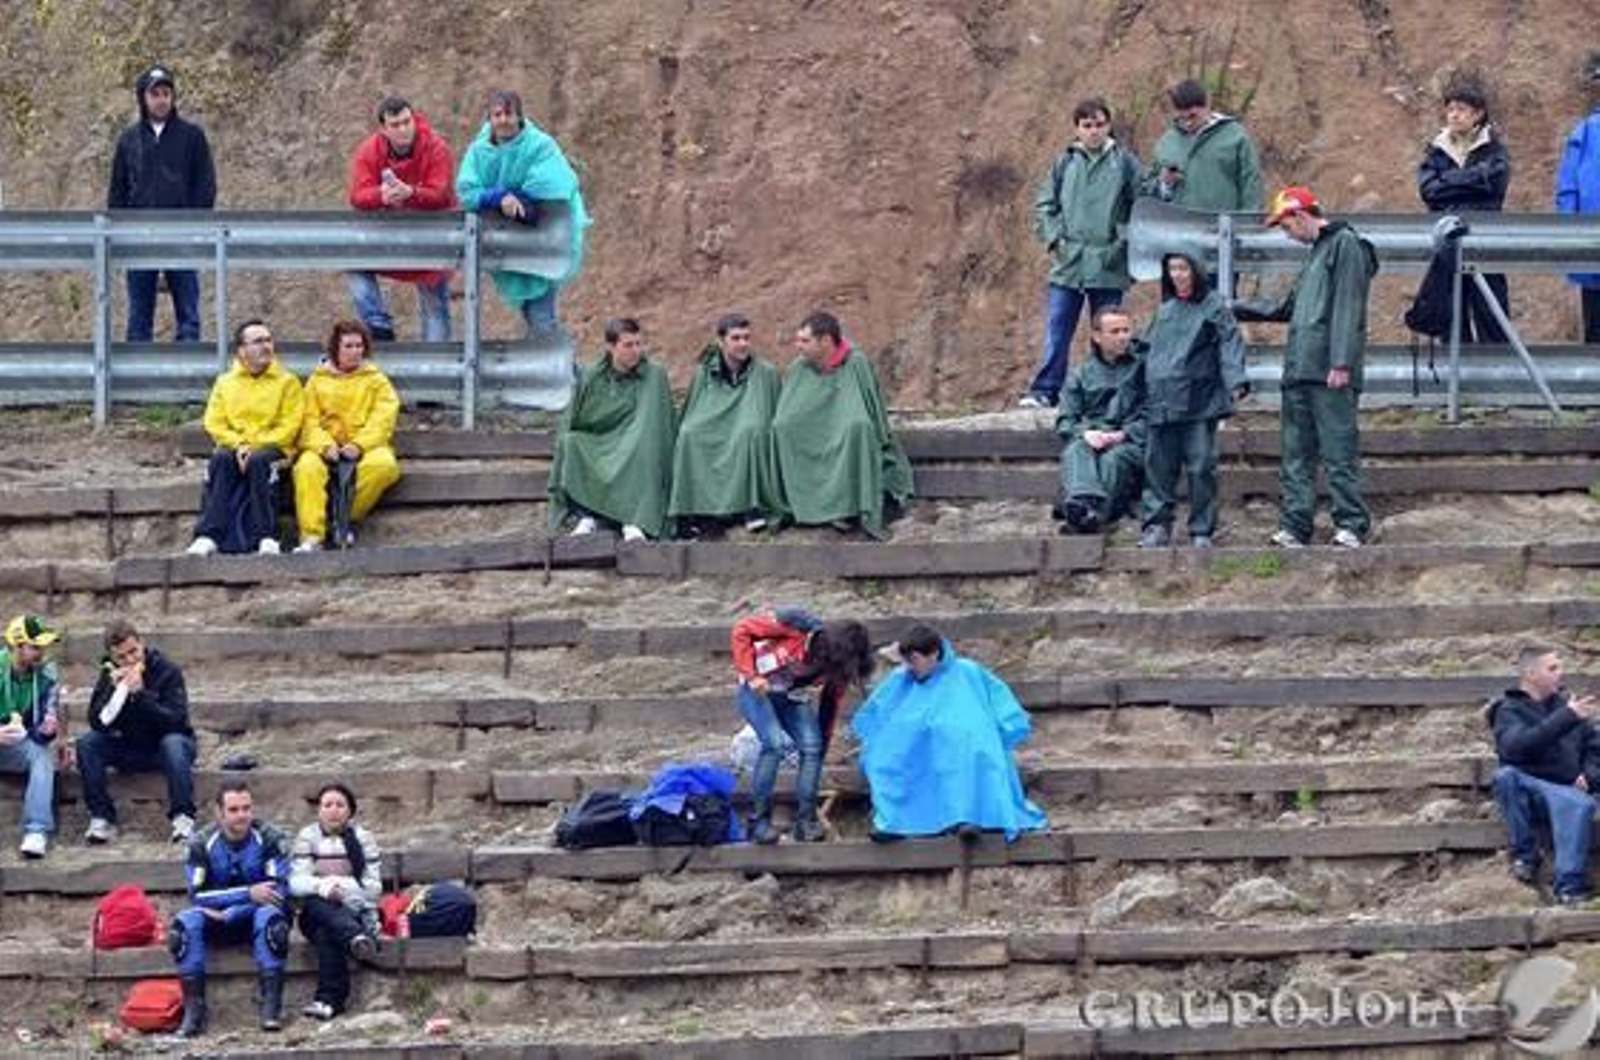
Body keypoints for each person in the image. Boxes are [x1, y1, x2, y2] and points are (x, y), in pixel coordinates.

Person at [1234, 187, 1377, 549]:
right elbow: (1288, 308)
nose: (1287, 235)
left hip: (1329, 371)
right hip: (1299, 368)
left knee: (1338, 449)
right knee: (1295, 452)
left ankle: (1352, 523)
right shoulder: (1316, 254)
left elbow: (1349, 303)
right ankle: (1295, 525)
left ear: (1299, 216)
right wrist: (1235, 307)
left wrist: (1341, 361)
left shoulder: (1345, 245)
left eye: (1286, 226)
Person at [455, 88, 590, 408]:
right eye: (497, 114)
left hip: (544, 242)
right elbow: (467, 190)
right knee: (533, 314)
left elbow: (557, 185)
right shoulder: (479, 151)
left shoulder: (540, 146)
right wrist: (498, 196)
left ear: (520, 116)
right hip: (510, 244)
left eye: (509, 114)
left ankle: (566, 385)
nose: (503, 121)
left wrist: (522, 201)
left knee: (541, 315)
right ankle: (567, 381)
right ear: (490, 118)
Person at [853, 625, 1047, 842]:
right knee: (884, 758)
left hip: (963, 740)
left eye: (914, 659)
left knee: (964, 748)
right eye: (907, 660)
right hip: (914, 740)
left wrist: (1000, 733)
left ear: (934, 654)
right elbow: (881, 709)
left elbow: (1003, 706)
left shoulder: (968, 671)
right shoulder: (904, 676)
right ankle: (893, 822)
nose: (910, 666)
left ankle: (967, 817)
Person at [1021, 97, 1141, 409]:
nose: (1094, 131)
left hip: (1108, 262)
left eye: (1099, 124)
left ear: (1109, 125)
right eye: (1087, 125)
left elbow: (1143, 205)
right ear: (1077, 129)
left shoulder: (1124, 163)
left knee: (1111, 334)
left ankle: (1110, 394)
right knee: (1058, 329)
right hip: (1069, 263)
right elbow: (1045, 206)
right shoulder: (1064, 163)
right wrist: (1054, 241)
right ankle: (1046, 390)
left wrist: (1123, 242)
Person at [730, 608, 874, 844]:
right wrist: (751, 674)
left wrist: (820, 750)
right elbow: (742, 630)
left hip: (790, 693)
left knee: (812, 746)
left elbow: (829, 708)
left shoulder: (838, 669)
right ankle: (758, 821)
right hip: (757, 687)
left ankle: (805, 822)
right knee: (774, 744)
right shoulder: (796, 624)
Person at [1137, 253, 1249, 549]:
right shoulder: (1165, 310)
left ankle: (1201, 530)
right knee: (1158, 465)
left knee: (1201, 465)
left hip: (1199, 400)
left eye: (1183, 268)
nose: (1177, 274)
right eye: (1172, 269)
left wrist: (1235, 379)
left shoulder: (1213, 306)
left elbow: (1230, 342)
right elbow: (1144, 351)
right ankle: (1157, 526)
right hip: (1161, 399)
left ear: (1195, 271)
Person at [771, 312, 914, 539]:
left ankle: (845, 509)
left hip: (847, 429)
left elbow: (869, 410)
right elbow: (790, 412)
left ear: (826, 340)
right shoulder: (799, 367)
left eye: (805, 341)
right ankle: (802, 506)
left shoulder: (856, 362)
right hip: (813, 431)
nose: (798, 346)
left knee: (858, 428)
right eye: (798, 340)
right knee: (782, 426)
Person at [171, 779, 292, 1037]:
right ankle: (194, 1011)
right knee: (185, 923)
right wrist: (247, 893)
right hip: (215, 922)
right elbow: (198, 896)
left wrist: (232, 912)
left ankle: (271, 1007)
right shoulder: (200, 843)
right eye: (234, 810)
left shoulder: (271, 837)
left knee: (271, 916)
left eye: (246, 808)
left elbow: (278, 891)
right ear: (219, 812)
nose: (242, 815)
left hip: (255, 919)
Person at [107, 64, 216, 343]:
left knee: (188, 317)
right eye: (155, 93)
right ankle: (138, 382)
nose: (161, 99)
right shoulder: (129, 140)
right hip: (138, 238)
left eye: (167, 92)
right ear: (143, 98)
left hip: (182, 236)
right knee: (139, 318)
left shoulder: (192, 136)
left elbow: (205, 186)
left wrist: (194, 227)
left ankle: (187, 380)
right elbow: (117, 191)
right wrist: (119, 234)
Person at [1488, 645, 1600, 906]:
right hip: (1531, 791)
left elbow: (1596, 749)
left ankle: (1570, 887)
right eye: (1553, 668)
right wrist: (1566, 717)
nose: (1561, 674)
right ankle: (1526, 855)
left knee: (1576, 802)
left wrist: (1590, 775)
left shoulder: (1569, 707)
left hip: (1570, 792)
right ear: (1530, 674)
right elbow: (1516, 748)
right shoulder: (1509, 709)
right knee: (1505, 777)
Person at [547, 318, 675, 542]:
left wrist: (633, 437)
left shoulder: (654, 375)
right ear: (610, 347)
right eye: (628, 345)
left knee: (643, 444)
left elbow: (656, 420)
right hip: (603, 441)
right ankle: (588, 515)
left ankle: (635, 519)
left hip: (637, 439)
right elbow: (576, 418)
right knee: (571, 442)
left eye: (638, 344)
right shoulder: (591, 375)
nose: (636, 351)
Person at [187, 320, 305, 556]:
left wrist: (252, 446)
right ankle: (208, 535)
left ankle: (267, 537)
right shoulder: (225, 382)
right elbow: (214, 422)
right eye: (258, 341)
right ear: (242, 351)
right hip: (237, 447)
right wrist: (240, 445)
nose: (266, 346)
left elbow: (290, 426)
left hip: (276, 449)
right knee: (221, 458)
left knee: (261, 460)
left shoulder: (288, 382)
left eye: (268, 340)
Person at [346, 96, 458, 342]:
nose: (404, 129)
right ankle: (378, 325)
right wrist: (382, 195)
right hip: (388, 234)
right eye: (395, 125)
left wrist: (411, 193)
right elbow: (358, 196)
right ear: (384, 129)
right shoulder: (369, 151)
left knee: (435, 309)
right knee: (351, 258)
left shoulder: (435, 147)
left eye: (407, 121)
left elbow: (442, 194)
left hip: (430, 237)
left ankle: (436, 370)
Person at [77, 620, 197, 846]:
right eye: (122, 657)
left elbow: (176, 721)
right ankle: (101, 817)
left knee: (173, 743)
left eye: (134, 651)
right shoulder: (109, 675)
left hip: (168, 747)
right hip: (130, 747)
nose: (130, 660)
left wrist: (141, 695)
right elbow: (96, 722)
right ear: (113, 658)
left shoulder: (167, 670)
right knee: (87, 743)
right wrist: (114, 692)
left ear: (142, 643)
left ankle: (183, 818)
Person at [667, 314, 783, 538]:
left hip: (746, 428)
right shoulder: (704, 371)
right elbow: (694, 410)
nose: (743, 344)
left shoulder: (765, 372)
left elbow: (770, 412)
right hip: (714, 426)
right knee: (689, 434)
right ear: (721, 341)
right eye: (736, 338)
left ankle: (751, 505)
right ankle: (696, 511)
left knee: (751, 431)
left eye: (747, 338)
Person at [292, 320, 402, 552]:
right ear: (335, 349)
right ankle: (312, 536)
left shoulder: (376, 380)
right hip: (325, 448)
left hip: (364, 446)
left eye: (359, 346)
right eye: (348, 346)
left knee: (384, 465)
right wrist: (324, 446)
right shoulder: (316, 380)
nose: (355, 351)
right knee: (306, 468)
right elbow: (307, 420)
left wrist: (360, 444)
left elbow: (384, 417)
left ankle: (341, 518)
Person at [1417, 74, 1511, 344]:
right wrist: (1473, 180)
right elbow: (1428, 191)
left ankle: (1495, 382)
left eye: (1461, 109)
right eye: (1450, 109)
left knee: (1492, 320)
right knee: (1451, 321)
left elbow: (1494, 185)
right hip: (1447, 249)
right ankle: (1457, 384)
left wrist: (1448, 181)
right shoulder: (1437, 149)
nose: (1454, 115)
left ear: (1478, 113)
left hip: (1486, 245)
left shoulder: (1493, 148)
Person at [289, 783, 382, 1021]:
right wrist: (323, 887)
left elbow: (372, 887)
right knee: (316, 906)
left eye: (340, 805)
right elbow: (296, 882)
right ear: (319, 810)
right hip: (314, 910)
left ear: (350, 811)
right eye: (327, 805)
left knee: (326, 932)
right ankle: (354, 938)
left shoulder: (363, 838)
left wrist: (345, 891)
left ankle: (328, 1002)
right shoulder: (307, 837)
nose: (333, 810)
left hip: (353, 909)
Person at [1055, 307, 1146, 535]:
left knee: (1114, 458)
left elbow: (1156, 414)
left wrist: (1123, 434)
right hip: (1093, 439)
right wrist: (1086, 433)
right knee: (1076, 448)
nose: (1123, 336)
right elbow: (1066, 420)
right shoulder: (1081, 374)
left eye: (1126, 330)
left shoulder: (1145, 368)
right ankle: (1085, 505)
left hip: (1133, 443)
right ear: (1097, 336)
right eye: (1115, 331)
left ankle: (1087, 516)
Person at [1140, 77, 1263, 214]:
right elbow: (1148, 193)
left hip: (1221, 229)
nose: (1187, 123)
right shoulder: (1167, 142)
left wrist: (1248, 223)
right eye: (1181, 118)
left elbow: (1251, 184)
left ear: (1207, 106)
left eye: (1193, 116)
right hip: (1176, 229)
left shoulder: (1235, 136)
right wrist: (1164, 183)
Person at [0, 615, 60, 860]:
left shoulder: (47, 675)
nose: (41, 652)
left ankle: (36, 831)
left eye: (43, 646)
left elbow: (41, 733)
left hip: (17, 746)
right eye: (35, 647)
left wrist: (47, 731)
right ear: (17, 646)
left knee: (42, 756)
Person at [1556, 51, 1600, 344]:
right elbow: (1568, 187)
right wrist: (1570, 232)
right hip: (1592, 240)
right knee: (1596, 326)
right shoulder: (1586, 131)